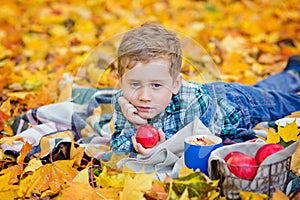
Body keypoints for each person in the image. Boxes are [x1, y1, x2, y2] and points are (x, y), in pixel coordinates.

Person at [110, 22, 300, 155]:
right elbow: (118, 146)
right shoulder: (124, 102)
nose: (144, 96)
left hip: (238, 105)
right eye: (135, 84)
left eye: (156, 85)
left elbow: (199, 143)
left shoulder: (191, 101)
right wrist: (134, 126)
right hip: (228, 100)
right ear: (120, 81)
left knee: (280, 103)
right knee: (265, 89)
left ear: (175, 84)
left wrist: (163, 145)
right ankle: (293, 74)